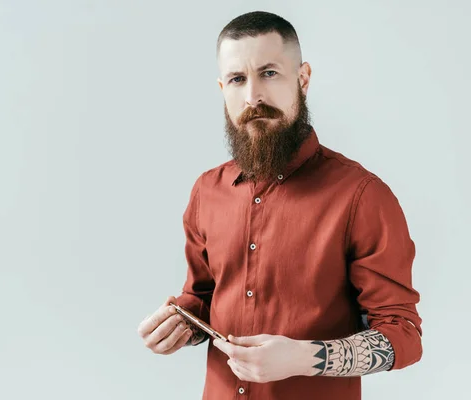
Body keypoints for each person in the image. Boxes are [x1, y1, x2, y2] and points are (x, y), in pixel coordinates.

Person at [137, 10, 423, 400]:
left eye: (269, 73)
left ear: (303, 79)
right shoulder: (207, 191)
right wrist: (179, 325)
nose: (253, 96)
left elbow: (401, 334)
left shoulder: (361, 195)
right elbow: (201, 298)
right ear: (223, 87)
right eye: (237, 79)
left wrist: (306, 357)